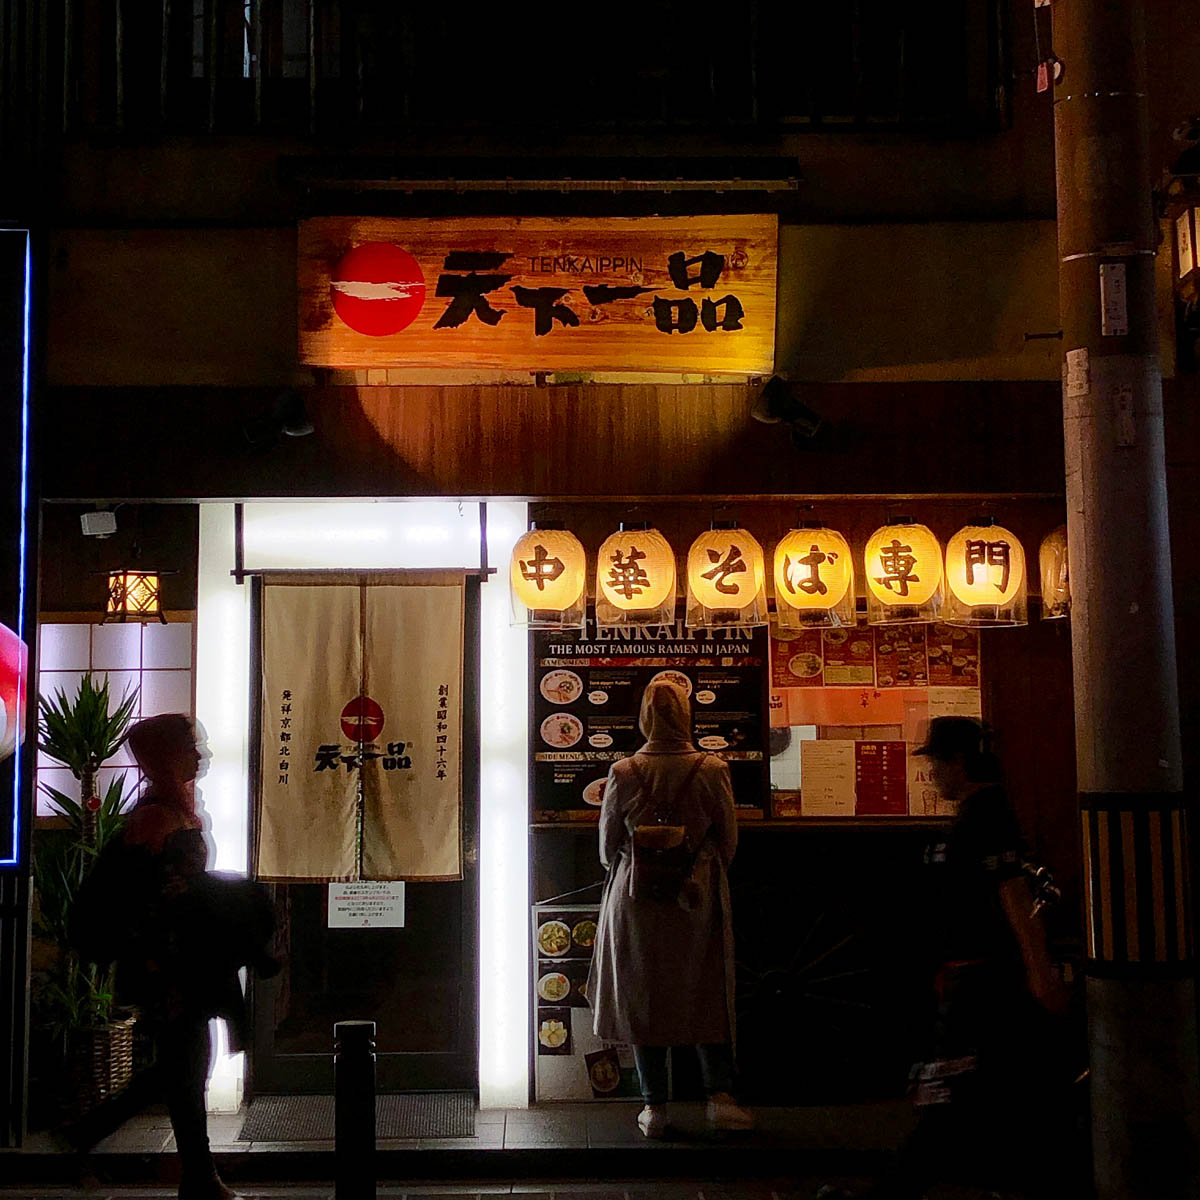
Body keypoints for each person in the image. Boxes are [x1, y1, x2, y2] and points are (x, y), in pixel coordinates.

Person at [817, 716, 1069, 1200]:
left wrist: (1040, 973)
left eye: (936, 762)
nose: (931, 774)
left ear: (958, 762)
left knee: (948, 1090)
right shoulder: (979, 811)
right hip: (973, 972)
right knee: (978, 1092)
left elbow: (1013, 894)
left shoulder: (987, 814)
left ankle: (895, 1190)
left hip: (982, 977)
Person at [75, 714, 275, 1200]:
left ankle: (187, 1172)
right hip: (169, 968)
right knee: (183, 1068)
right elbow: (152, 898)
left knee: (183, 1067)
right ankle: (195, 1176)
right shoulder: (154, 820)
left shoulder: (175, 811)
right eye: (188, 744)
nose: (199, 751)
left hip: (184, 963)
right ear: (165, 755)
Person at [587, 678, 753, 1139]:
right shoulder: (713, 767)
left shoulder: (622, 771)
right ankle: (719, 1097)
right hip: (696, 895)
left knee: (645, 995)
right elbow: (729, 842)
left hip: (635, 896)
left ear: (644, 715)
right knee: (706, 990)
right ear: (687, 714)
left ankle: (653, 1106)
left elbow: (606, 848)